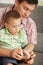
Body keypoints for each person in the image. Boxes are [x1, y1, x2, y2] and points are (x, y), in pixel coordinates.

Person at [0, 0, 38, 65]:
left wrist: (27, 54)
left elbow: (31, 44)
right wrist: (9, 53)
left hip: (19, 57)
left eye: (31, 11)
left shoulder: (31, 24)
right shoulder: (1, 14)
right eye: (25, 8)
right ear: (16, 2)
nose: (27, 14)